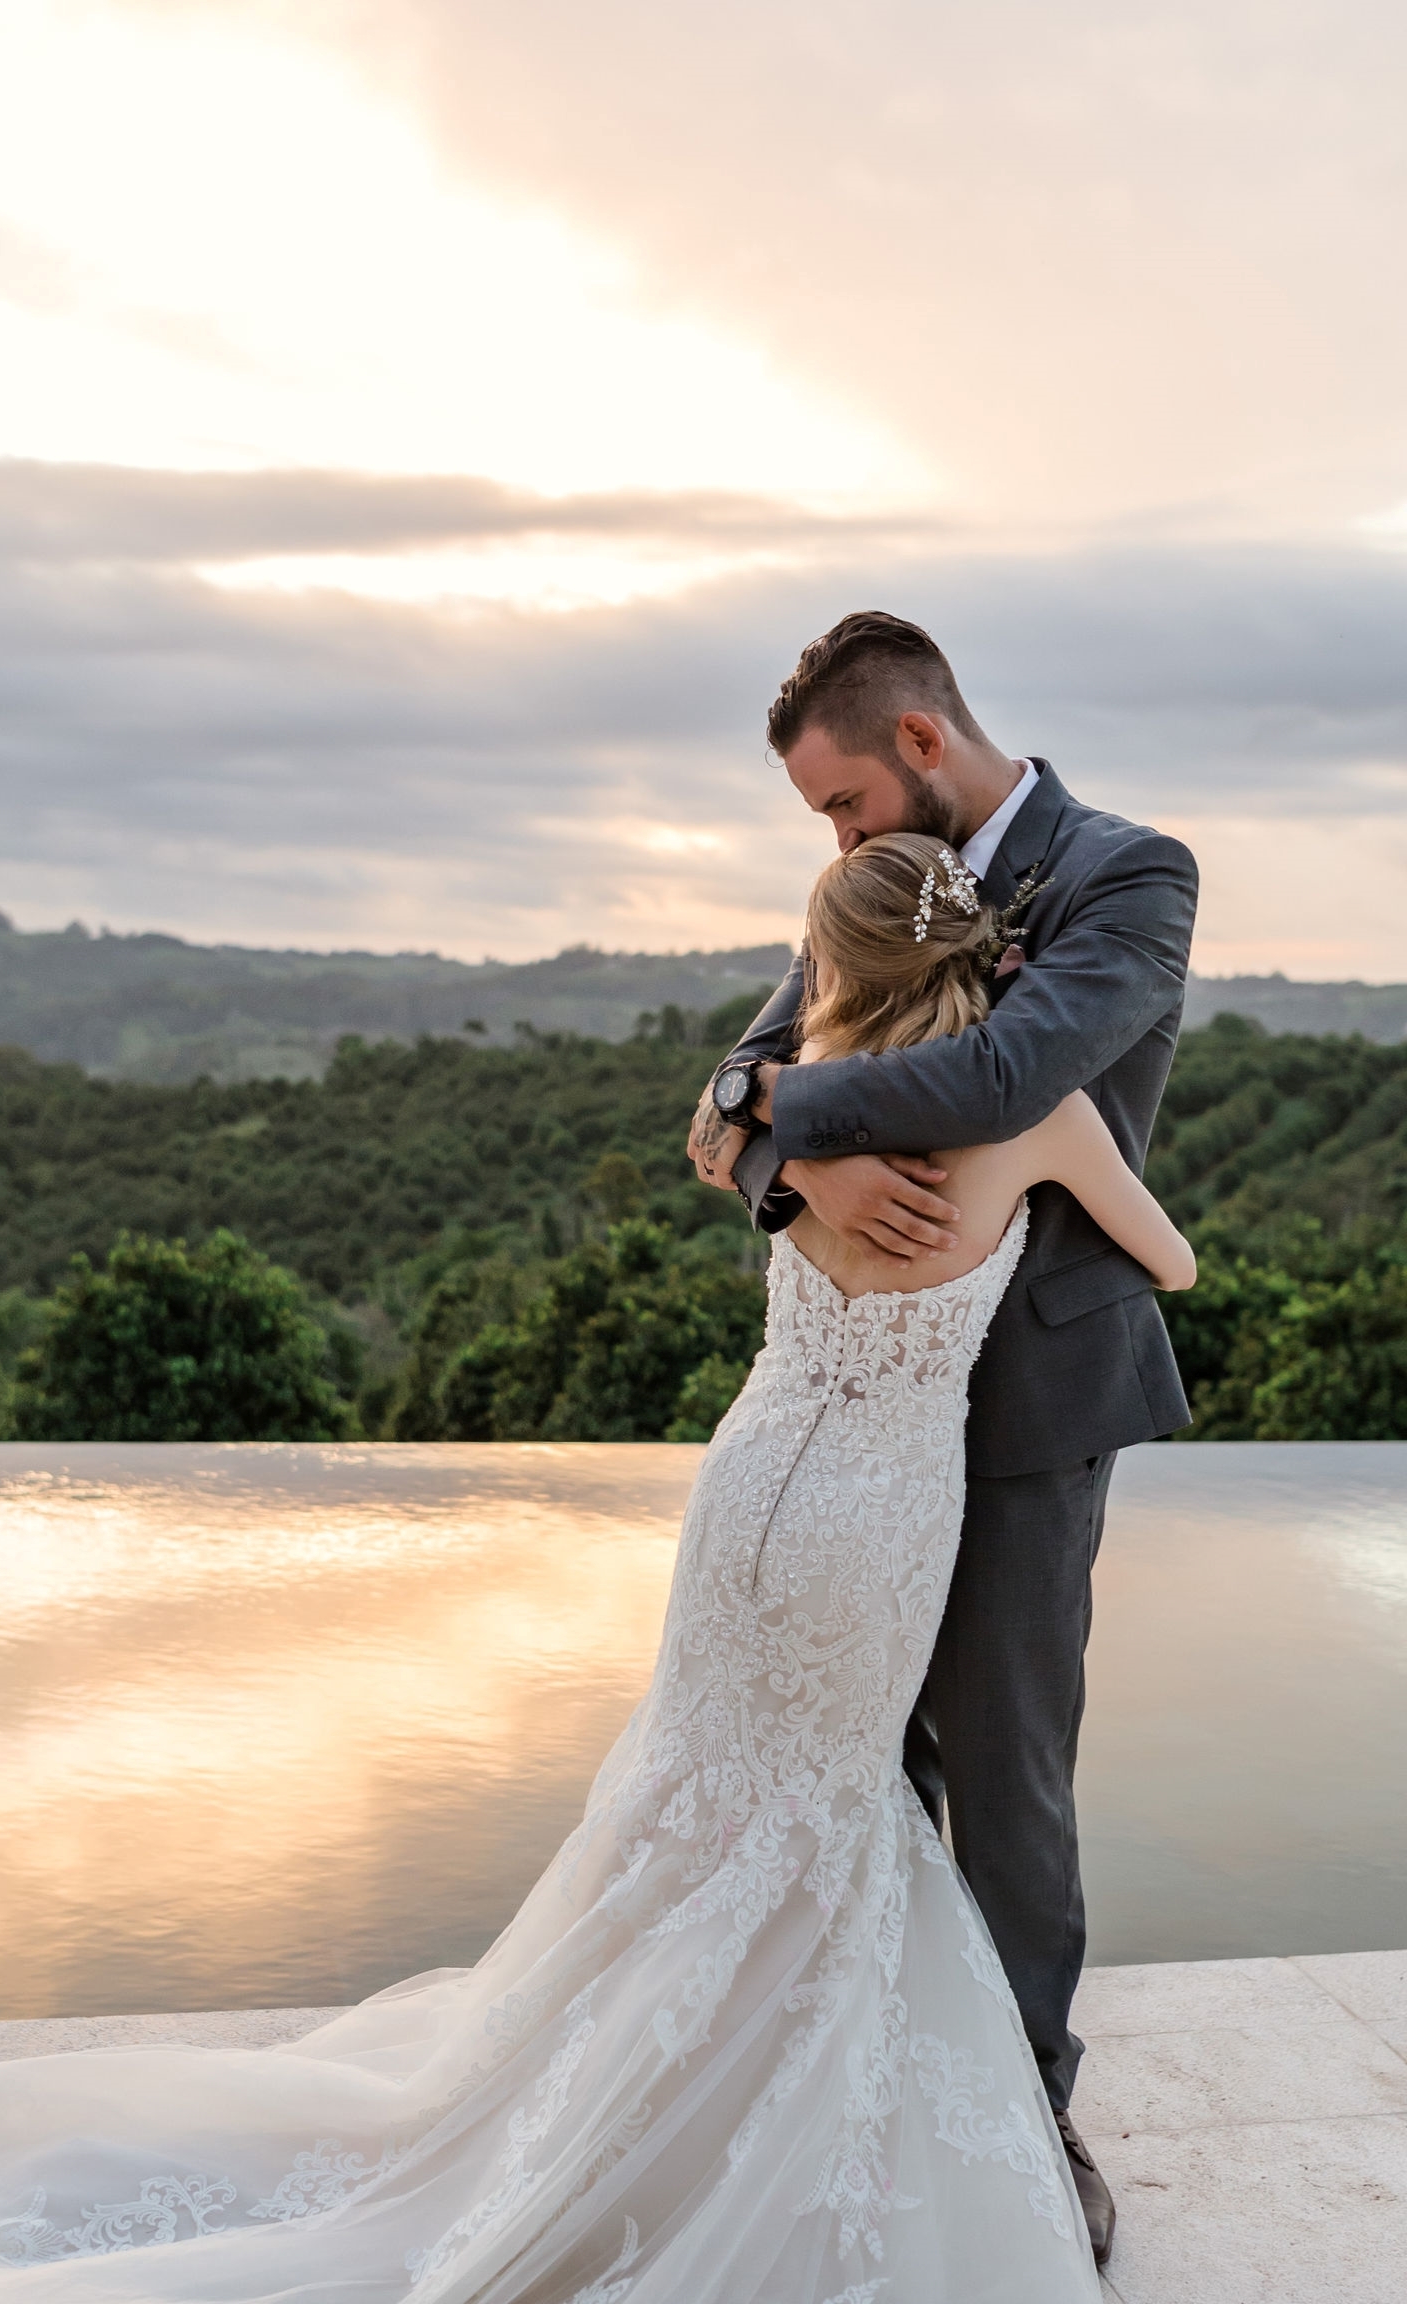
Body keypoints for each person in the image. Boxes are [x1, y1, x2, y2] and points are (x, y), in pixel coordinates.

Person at [0, 812, 1193, 2302]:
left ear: (836, 963)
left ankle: (619, 2088)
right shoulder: (1039, 1120)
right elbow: (1173, 1260)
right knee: (831, 1812)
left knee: (704, 1798)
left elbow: (725, 1122)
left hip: (754, 1487)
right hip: (882, 1515)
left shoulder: (802, 1111)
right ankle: (768, 2118)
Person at [690, 609, 1200, 2266]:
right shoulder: (881, 890)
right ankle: (860, 2088)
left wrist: (774, 1114)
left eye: (837, 807)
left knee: (1006, 1772)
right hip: (850, 1435)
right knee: (857, 1768)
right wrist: (793, 1164)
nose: (832, 844)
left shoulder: (1133, 874)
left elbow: (1009, 1074)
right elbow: (724, 1096)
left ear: (917, 747)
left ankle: (1026, 2122)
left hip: (1034, 1405)